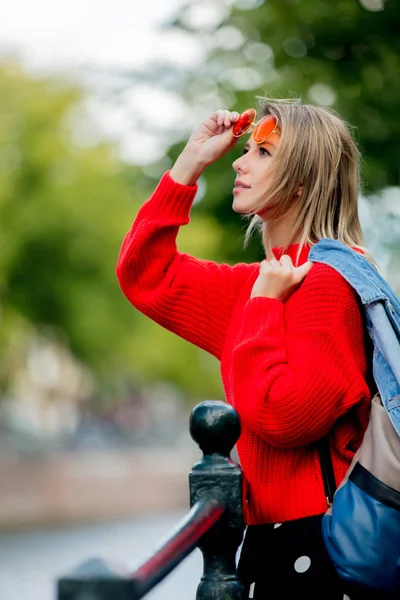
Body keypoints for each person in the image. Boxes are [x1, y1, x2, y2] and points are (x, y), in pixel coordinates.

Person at [116, 100, 381, 599]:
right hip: (271, 545)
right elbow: (144, 273)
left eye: (263, 152)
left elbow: (286, 417)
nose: (239, 162)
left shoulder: (327, 282)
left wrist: (263, 307)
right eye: (247, 149)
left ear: (301, 181)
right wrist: (189, 163)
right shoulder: (256, 284)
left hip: (318, 548)